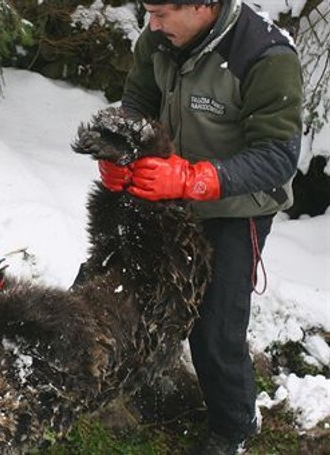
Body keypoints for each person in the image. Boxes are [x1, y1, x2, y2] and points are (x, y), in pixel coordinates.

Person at [97, 0, 302, 453]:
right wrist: (119, 154)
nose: (151, 23)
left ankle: (234, 427)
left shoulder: (265, 57)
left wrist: (198, 178)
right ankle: (144, 386)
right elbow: (138, 104)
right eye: (148, 11)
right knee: (125, 290)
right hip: (166, 193)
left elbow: (278, 157)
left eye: (162, 13)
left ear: (203, 6)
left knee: (213, 327)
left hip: (236, 207)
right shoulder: (159, 38)